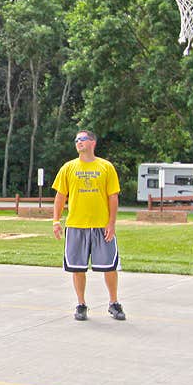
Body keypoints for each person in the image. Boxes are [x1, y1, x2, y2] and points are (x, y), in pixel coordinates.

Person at [51, 129, 125, 321]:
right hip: (76, 226)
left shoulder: (106, 167)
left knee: (110, 266)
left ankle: (114, 303)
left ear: (92, 142)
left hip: (101, 226)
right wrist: (56, 221)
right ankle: (81, 304)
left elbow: (113, 197)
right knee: (77, 268)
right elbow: (60, 196)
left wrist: (111, 223)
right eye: (76, 140)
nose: (78, 142)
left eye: (82, 139)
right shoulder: (68, 168)